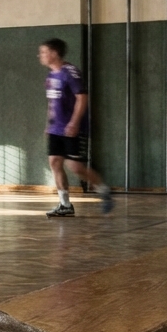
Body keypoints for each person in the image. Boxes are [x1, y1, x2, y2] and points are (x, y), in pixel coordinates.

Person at [40, 38, 114, 217]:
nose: (40, 56)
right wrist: (48, 124)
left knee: (76, 167)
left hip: (73, 128)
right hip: (55, 129)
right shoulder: (51, 76)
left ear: (54, 53)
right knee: (55, 162)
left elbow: (82, 98)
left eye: (43, 52)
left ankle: (104, 191)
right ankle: (65, 205)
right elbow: (52, 103)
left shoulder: (70, 73)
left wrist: (74, 122)